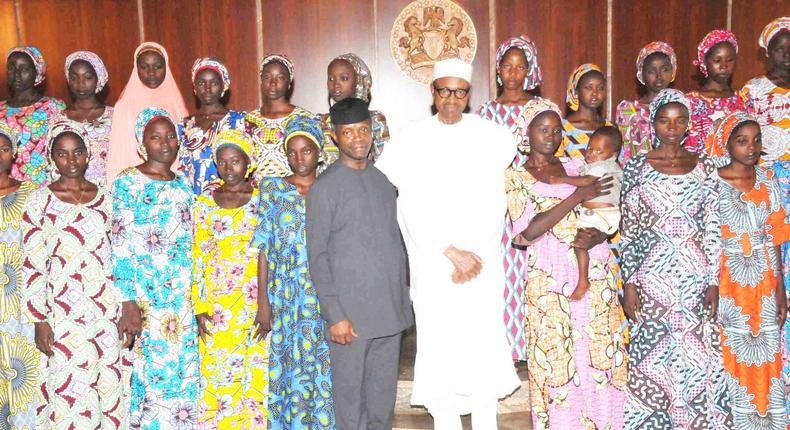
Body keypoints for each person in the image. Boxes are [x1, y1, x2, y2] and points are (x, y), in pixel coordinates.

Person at [376, 59, 519, 429]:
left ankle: (486, 420)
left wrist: (471, 254)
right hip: (434, 263)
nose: (451, 99)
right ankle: (447, 421)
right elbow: (407, 205)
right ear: (433, 93)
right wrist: (451, 253)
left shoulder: (492, 136)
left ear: (469, 95)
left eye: (459, 91)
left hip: (481, 262)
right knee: (442, 342)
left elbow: (496, 200)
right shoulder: (411, 139)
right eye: (444, 90)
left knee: (480, 340)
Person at [507, 100, 626, 429]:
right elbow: (526, 232)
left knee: (598, 356)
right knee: (556, 361)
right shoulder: (517, 178)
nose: (551, 135)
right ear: (527, 132)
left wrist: (599, 237)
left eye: (557, 130)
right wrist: (573, 197)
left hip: (593, 270)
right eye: (543, 129)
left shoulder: (579, 166)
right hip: (549, 276)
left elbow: (610, 206)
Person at [620, 89, 730, 429]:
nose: (672, 127)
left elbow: (713, 226)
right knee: (654, 355)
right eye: (665, 121)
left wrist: (713, 281)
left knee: (695, 357)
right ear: (653, 123)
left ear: (688, 125)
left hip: (695, 276)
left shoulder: (706, 167)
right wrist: (630, 282)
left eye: (680, 121)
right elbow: (630, 229)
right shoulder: (637, 167)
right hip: (652, 277)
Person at [307, 98, 412, 430]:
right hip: (349, 321)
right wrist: (335, 315)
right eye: (349, 132)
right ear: (336, 137)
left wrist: (402, 304)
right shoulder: (325, 188)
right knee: (351, 409)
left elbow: (396, 247)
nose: (358, 138)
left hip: (389, 315)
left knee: (381, 407)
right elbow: (317, 256)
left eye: (363, 130)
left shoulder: (383, 183)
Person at [21, 121, 123, 428]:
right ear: (52, 158)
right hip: (63, 313)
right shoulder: (39, 201)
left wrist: (124, 306)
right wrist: (40, 320)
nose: (71, 160)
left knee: (107, 385)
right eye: (63, 154)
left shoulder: (107, 198)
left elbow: (119, 252)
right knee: (69, 388)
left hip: (105, 309)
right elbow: (33, 265)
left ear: (88, 154)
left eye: (78, 152)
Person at [112, 108, 198, 429]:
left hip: (182, 301)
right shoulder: (127, 183)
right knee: (151, 379)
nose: (164, 143)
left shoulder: (184, 186)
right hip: (147, 304)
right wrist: (128, 302)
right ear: (142, 143)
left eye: (170, 136)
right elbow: (120, 245)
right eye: (155, 137)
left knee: (183, 377)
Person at [706, 111, 789, 427]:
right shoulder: (711, 181)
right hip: (727, 279)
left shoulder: (768, 180)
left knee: (766, 353)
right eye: (742, 141)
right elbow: (706, 235)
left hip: (765, 281)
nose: (751, 148)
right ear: (726, 144)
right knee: (730, 354)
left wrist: (780, 291)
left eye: (756, 141)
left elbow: (777, 236)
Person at [255, 115, 335, 429]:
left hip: (322, 298)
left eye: (306, 151)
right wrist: (263, 302)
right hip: (285, 298)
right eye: (292, 152)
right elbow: (263, 249)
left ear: (318, 151)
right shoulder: (272, 189)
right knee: (286, 372)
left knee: (321, 372)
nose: (299, 158)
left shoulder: (331, 189)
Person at [192, 128, 268, 428]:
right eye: (222, 162)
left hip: (253, 304)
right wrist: (199, 305)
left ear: (248, 162)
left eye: (235, 161)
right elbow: (198, 254)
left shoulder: (263, 201)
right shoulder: (204, 203)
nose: (228, 168)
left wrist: (266, 305)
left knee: (253, 380)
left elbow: (269, 254)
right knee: (218, 378)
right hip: (218, 307)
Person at [476, 35, 545, 361]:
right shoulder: (486, 112)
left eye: (521, 66)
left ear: (529, 70)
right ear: (499, 70)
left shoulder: (542, 109)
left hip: (536, 207)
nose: (514, 73)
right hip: (498, 208)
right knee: (504, 279)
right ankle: (506, 351)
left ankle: (537, 351)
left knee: (535, 277)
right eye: (508, 66)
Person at [550, 126, 623, 300]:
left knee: (579, 244)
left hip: (599, 214)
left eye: (599, 151)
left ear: (613, 155)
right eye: (590, 148)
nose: (591, 153)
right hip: (605, 215)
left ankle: (583, 280)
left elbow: (586, 181)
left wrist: (562, 179)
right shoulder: (608, 165)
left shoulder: (603, 166)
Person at [0, 123, 40, 430]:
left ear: (13, 154)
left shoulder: (31, 194)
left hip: (22, 304)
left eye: (3, 148)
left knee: (26, 376)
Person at [105, 42, 188, 182]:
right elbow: (117, 155)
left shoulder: (177, 105)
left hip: (174, 182)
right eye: (144, 67)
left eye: (158, 67)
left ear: (166, 67)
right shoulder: (125, 105)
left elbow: (185, 153)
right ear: (136, 68)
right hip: (135, 184)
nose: (151, 73)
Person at [230, 54, 311, 182]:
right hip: (257, 196)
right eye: (268, 77)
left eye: (280, 77)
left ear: (289, 83)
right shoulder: (247, 120)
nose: (273, 83)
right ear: (261, 81)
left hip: (292, 195)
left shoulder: (304, 119)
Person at [0, 46, 65, 186]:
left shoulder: (53, 107)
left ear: (37, 72)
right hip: (6, 189)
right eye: (12, 68)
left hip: (42, 187)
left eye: (24, 69)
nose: (17, 74)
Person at [179, 58, 245, 195]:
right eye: (201, 83)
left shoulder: (239, 121)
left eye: (214, 83)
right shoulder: (183, 126)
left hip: (228, 201)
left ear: (224, 86)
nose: (207, 88)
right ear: (195, 88)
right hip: (193, 202)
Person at [51, 51, 114, 187]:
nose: (80, 84)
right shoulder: (58, 118)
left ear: (99, 78)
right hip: (71, 191)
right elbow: (52, 164)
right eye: (74, 78)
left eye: (88, 77)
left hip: (108, 189)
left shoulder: (114, 116)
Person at [320, 53, 389, 165]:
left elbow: (386, 164)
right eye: (331, 79)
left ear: (359, 81)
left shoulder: (375, 120)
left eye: (344, 78)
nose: (336, 84)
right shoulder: (320, 122)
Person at [616, 41, 677, 165]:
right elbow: (624, 152)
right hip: (638, 178)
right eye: (651, 71)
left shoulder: (682, 108)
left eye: (664, 69)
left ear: (673, 72)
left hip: (674, 178)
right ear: (641, 75)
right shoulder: (628, 110)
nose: (659, 76)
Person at [686, 30, 745, 154]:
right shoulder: (690, 102)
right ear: (704, 62)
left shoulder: (744, 100)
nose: (724, 66)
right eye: (717, 60)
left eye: (730, 60)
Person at [741, 17, 790, 163]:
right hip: (767, 173)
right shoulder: (753, 89)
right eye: (779, 49)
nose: (786, 55)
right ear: (767, 53)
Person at [559, 63, 610, 158]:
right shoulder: (562, 129)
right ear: (576, 91)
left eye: (600, 88)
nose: (595, 93)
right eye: (589, 88)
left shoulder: (611, 128)